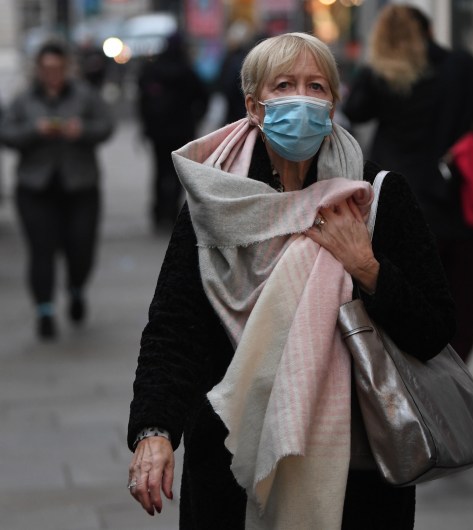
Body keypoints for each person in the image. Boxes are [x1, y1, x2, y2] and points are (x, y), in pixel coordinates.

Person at [125, 32, 455, 529]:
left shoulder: (375, 197)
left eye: (316, 86)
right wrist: (155, 429)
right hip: (231, 458)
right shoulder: (216, 206)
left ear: (333, 104)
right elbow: (175, 328)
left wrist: (366, 266)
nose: (302, 98)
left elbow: (433, 328)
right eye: (284, 85)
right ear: (254, 106)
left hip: (355, 466)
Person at [342, 4, 473, 363]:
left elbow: (354, 110)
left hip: (392, 210)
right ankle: (453, 389)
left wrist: (372, 66)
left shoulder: (381, 75)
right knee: (460, 316)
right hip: (456, 210)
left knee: (400, 307)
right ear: (431, 33)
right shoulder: (466, 69)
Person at [0, 40, 114, 339]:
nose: (51, 73)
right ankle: (45, 311)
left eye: (57, 68)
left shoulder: (85, 95)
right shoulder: (23, 100)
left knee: (81, 249)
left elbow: (106, 125)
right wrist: (33, 131)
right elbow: (7, 133)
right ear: (38, 69)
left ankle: (76, 289)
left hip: (80, 187)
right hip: (35, 189)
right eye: (46, 68)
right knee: (41, 251)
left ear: (66, 68)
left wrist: (82, 131)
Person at [137, 31, 209, 231]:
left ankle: (159, 212)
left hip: (158, 132)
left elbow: (142, 101)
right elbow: (203, 97)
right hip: (182, 131)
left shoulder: (152, 70)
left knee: (159, 171)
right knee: (178, 173)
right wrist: (195, 118)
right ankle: (171, 211)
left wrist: (145, 125)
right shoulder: (187, 70)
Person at [214, 20, 253, 126]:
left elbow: (227, 85)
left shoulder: (233, 60)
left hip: (236, 111)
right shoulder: (245, 58)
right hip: (240, 110)